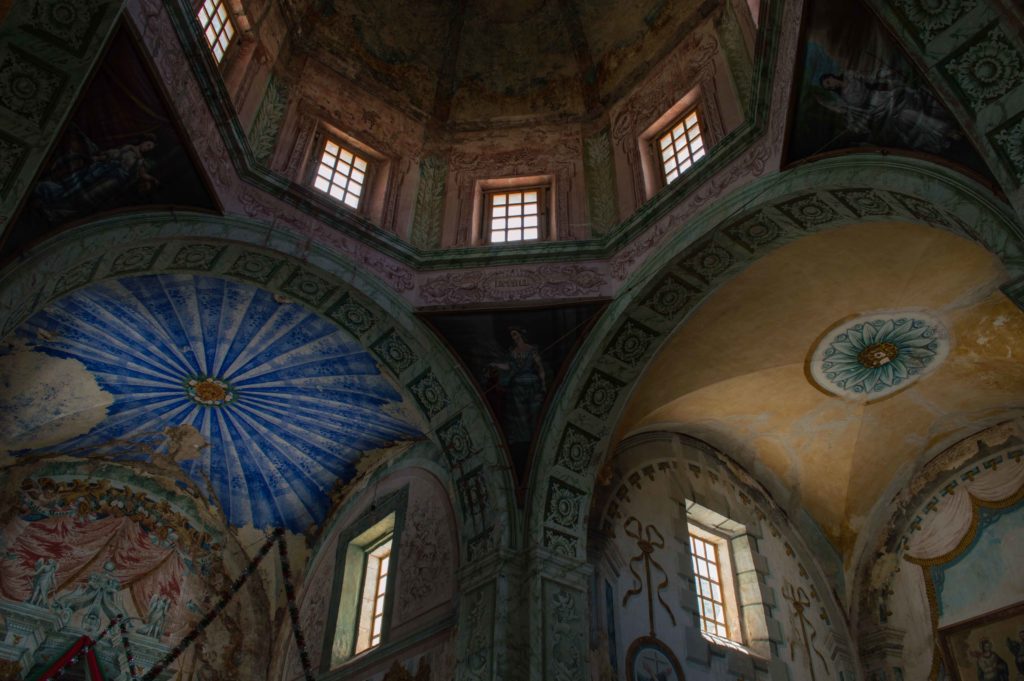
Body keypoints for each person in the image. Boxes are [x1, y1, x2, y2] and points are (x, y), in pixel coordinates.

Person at [817, 68, 960, 155]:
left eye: (828, 83)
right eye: (827, 88)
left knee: (911, 111)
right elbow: (850, 113)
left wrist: (884, 77)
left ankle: (947, 131)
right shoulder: (843, 99)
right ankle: (942, 135)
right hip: (878, 112)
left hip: (884, 97)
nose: (830, 86)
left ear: (831, 77)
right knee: (906, 122)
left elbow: (870, 79)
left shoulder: (850, 75)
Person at [490, 327, 546, 448]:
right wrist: (496, 364)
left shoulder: (531, 349)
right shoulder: (512, 351)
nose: (514, 337)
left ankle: (538, 439)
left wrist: (543, 384)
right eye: (512, 336)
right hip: (517, 388)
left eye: (515, 334)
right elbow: (509, 366)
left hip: (533, 386)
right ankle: (524, 441)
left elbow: (540, 367)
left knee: (535, 413)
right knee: (520, 416)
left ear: (521, 334)